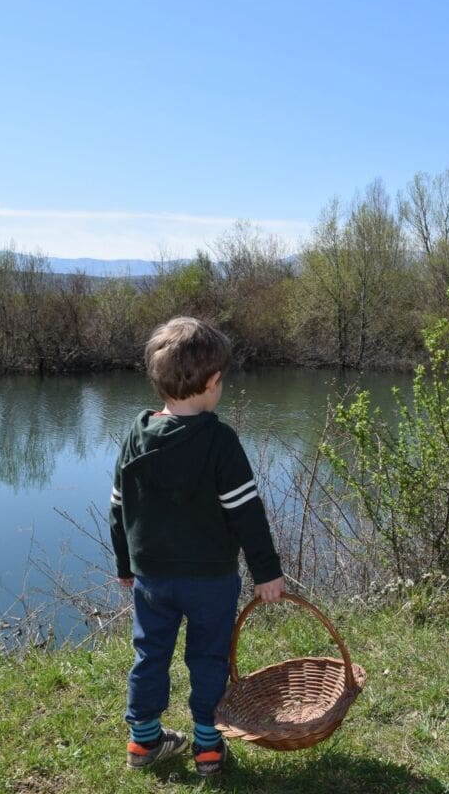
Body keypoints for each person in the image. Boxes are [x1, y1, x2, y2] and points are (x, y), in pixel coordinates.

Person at [109, 316, 284, 776]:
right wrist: (267, 572)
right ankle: (207, 746)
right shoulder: (219, 440)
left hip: (152, 576)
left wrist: (124, 563)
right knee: (208, 657)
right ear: (213, 382)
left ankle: (143, 741)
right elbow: (247, 513)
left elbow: (118, 506)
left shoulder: (137, 431)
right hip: (210, 578)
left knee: (150, 654)